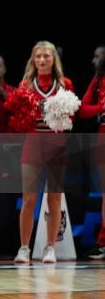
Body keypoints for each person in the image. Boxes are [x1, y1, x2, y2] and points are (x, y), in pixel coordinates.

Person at [14, 41, 75, 264]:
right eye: (38, 56)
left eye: (46, 56)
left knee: (54, 198)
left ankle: (51, 248)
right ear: (33, 60)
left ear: (53, 59)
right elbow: (18, 118)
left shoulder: (64, 84)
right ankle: (23, 248)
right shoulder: (25, 85)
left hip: (57, 145)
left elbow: (71, 118)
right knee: (28, 198)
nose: (42, 60)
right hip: (32, 145)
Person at [78, 45, 105, 259]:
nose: (93, 60)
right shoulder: (97, 81)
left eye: (97, 56)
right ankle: (103, 241)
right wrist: (101, 108)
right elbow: (83, 109)